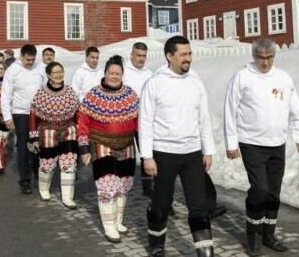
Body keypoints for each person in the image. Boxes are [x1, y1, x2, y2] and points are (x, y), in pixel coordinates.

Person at [224, 38, 299, 255]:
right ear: (253, 57)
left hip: (277, 143)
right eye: (261, 58)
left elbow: (295, 109)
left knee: (273, 192)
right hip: (251, 142)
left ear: (274, 56)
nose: (265, 62)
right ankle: (253, 235)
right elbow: (229, 109)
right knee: (259, 189)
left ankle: (269, 234)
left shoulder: (283, 78)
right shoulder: (243, 77)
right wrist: (231, 142)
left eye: (269, 57)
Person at [140, 36, 216, 257]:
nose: (188, 58)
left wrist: (207, 150)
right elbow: (145, 122)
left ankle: (205, 251)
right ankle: (156, 244)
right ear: (169, 56)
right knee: (161, 203)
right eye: (183, 54)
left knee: (198, 205)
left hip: (192, 153)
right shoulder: (155, 83)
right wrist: (147, 156)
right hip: (164, 154)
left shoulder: (195, 82)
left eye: (190, 53)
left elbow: (204, 118)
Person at [78, 55, 140, 243]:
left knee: (123, 186)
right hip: (101, 145)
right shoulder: (93, 95)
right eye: (111, 73)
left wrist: (145, 149)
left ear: (122, 74)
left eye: (118, 73)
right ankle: (109, 226)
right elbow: (83, 122)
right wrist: (83, 148)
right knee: (107, 186)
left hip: (127, 145)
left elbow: (138, 123)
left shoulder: (131, 95)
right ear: (104, 74)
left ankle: (118, 220)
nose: (114, 76)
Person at [28, 61, 79, 206]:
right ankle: (44, 189)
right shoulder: (41, 93)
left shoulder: (70, 92)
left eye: (61, 71)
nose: (59, 74)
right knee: (47, 164)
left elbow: (77, 113)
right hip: (47, 133)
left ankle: (67, 197)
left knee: (69, 163)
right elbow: (33, 116)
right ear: (49, 75)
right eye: (55, 72)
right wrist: (33, 137)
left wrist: (80, 131)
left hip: (69, 132)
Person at [1, 44, 44, 194]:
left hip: (39, 114)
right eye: (28, 60)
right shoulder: (13, 70)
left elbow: (46, 89)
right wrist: (7, 117)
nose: (30, 62)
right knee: (23, 147)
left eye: (32, 59)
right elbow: (6, 95)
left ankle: (39, 173)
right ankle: (25, 180)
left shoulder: (39, 68)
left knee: (39, 146)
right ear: (21, 56)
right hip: (21, 114)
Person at [122, 42, 155, 197]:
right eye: (138, 55)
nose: (141, 59)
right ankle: (122, 181)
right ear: (131, 55)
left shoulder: (150, 73)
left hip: (144, 120)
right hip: (126, 120)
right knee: (126, 153)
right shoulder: (123, 72)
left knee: (146, 152)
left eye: (144, 56)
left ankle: (147, 186)